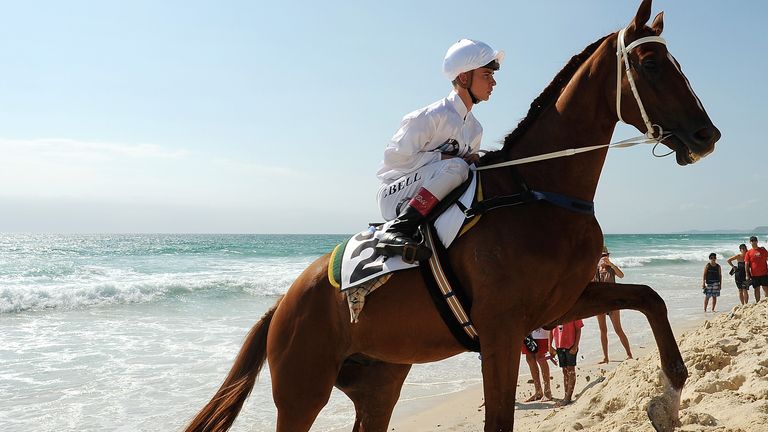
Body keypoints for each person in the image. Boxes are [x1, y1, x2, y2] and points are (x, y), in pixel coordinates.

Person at [375, 39, 503, 262]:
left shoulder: (475, 129)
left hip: (428, 192)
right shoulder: (429, 116)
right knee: (458, 166)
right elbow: (393, 158)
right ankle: (396, 230)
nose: (493, 82)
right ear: (464, 77)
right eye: (486, 75)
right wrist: (448, 158)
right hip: (394, 194)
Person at [594, 246, 633, 364]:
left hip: (613, 303)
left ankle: (629, 354)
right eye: (600, 256)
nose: (603, 258)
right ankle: (605, 357)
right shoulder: (595, 270)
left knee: (618, 329)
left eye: (605, 256)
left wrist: (611, 264)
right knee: (602, 330)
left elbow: (621, 275)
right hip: (600, 304)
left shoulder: (611, 269)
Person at [550, 319, 583, 407]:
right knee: (564, 371)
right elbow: (550, 330)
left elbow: (578, 329)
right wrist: (549, 346)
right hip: (559, 346)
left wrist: (575, 346)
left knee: (571, 370)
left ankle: (568, 397)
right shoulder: (555, 313)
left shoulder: (573, 312)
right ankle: (566, 396)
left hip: (571, 345)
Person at [521, 328, 553, 402]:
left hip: (540, 329)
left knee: (540, 357)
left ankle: (547, 391)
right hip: (527, 330)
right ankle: (538, 390)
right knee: (529, 358)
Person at [745, 236, 768, 302]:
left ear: (757, 241)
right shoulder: (748, 253)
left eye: (755, 241)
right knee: (756, 289)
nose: (753, 242)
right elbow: (746, 264)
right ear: (750, 242)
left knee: (765, 288)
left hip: (764, 273)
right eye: (752, 241)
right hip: (754, 274)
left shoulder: (763, 250)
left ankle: (766, 302)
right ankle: (757, 302)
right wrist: (747, 274)